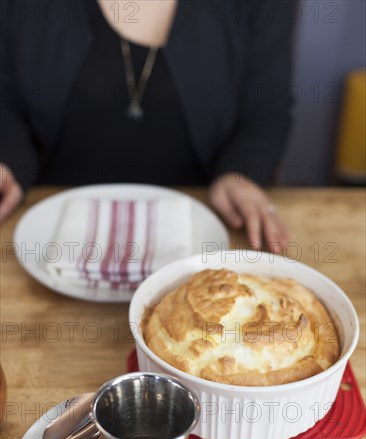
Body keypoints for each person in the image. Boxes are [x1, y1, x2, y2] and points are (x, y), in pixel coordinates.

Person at [0, 0, 295, 251]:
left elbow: (266, 109)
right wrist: (11, 161)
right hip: (45, 227)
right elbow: (5, 101)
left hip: (208, 230)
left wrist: (240, 172)